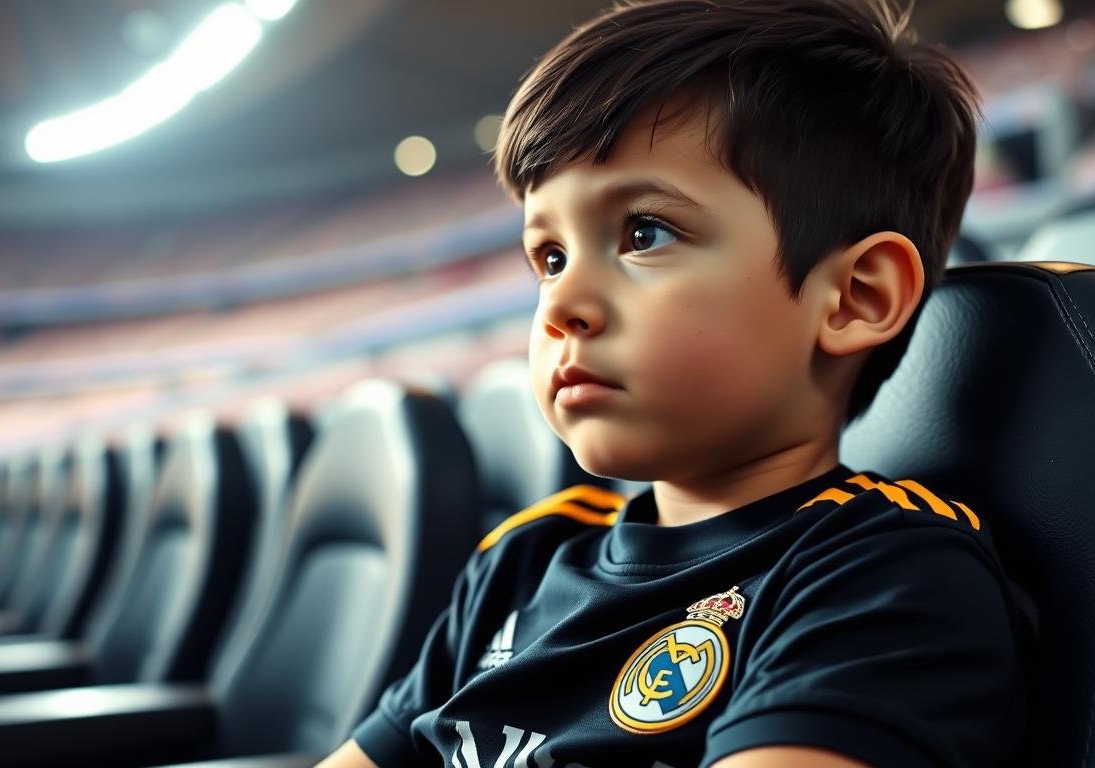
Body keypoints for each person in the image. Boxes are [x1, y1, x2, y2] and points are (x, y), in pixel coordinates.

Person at [322, 1, 1033, 765]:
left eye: (644, 234)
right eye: (550, 258)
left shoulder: (882, 578)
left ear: (856, 297)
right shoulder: (519, 564)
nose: (561, 305)